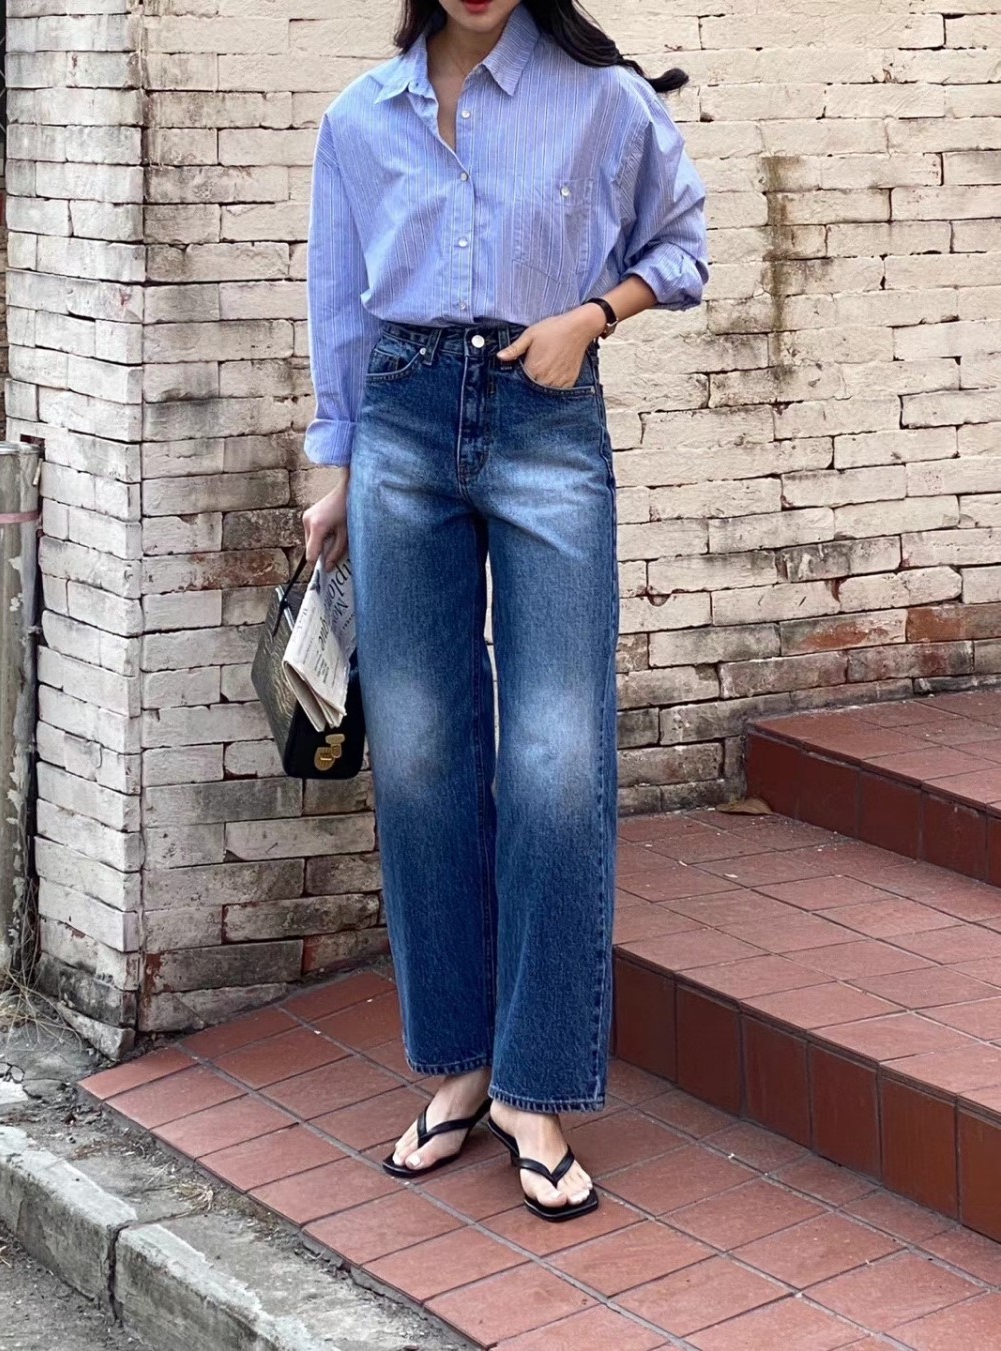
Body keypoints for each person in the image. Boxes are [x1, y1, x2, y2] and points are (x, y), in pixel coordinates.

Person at [301, 0, 708, 1221]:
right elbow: (341, 307)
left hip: (546, 417)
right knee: (424, 757)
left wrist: (592, 319)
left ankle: (538, 1086)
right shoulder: (359, 119)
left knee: (556, 758)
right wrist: (340, 469)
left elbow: (680, 245)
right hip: (402, 430)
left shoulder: (604, 101)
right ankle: (460, 1067)